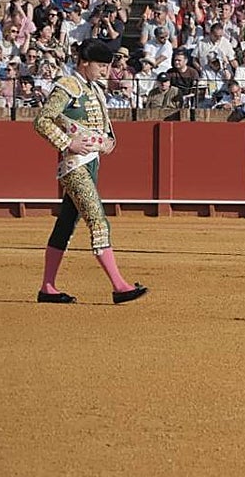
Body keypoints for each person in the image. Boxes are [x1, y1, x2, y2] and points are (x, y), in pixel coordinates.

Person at [33, 39, 148, 304]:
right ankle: (120, 287)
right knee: (97, 219)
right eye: (101, 65)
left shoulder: (92, 88)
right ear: (84, 62)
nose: (106, 71)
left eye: (107, 66)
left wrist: (109, 141)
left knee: (65, 224)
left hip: (92, 162)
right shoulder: (68, 85)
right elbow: (42, 120)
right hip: (74, 166)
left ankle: (47, 288)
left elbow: (105, 127)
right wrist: (67, 142)